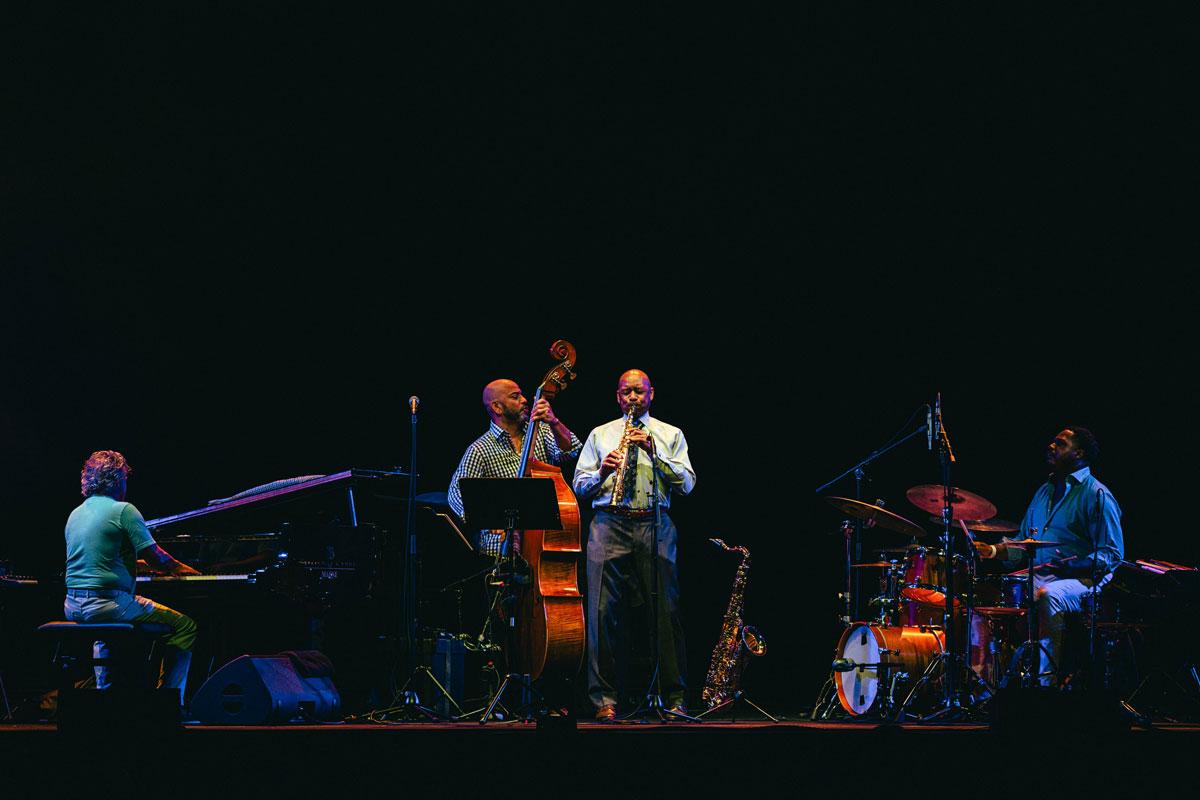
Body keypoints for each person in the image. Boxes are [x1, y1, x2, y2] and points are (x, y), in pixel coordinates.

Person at [573, 369, 696, 720]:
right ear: (617, 396)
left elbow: (687, 484)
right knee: (600, 612)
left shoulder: (669, 434)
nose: (632, 398)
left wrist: (653, 452)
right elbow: (579, 485)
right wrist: (601, 473)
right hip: (608, 521)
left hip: (654, 522)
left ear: (651, 394)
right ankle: (604, 701)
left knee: (666, 612)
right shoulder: (600, 434)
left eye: (639, 392)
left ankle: (673, 697)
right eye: (626, 392)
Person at [974, 427, 1123, 685]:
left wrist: (1077, 566)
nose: (1051, 447)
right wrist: (992, 551)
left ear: (1078, 453)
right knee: (984, 602)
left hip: (1085, 581)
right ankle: (987, 687)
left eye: (1060, 443)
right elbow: (1024, 542)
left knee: (1048, 596)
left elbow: (1112, 554)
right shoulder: (1044, 491)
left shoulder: (1096, 494)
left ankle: (1045, 686)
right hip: (1043, 575)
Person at [63, 451, 200, 704]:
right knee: (185, 626)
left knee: (104, 632)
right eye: (125, 478)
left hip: (73, 607)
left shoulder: (75, 514)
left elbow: (100, 560)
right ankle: (170, 702)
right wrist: (189, 571)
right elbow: (157, 558)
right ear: (117, 479)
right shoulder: (123, 510)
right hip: (109, 605)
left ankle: (106, 695)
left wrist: (134, 566)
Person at [448, 378, 583, 556]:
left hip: (541, 541)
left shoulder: (539, 430)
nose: (525, 400)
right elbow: (456, 493)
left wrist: (554, 421)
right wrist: (488, 520)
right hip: (498, 549)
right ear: (497, 407)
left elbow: (571, 450)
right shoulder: (480, 449)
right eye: (515, 396)